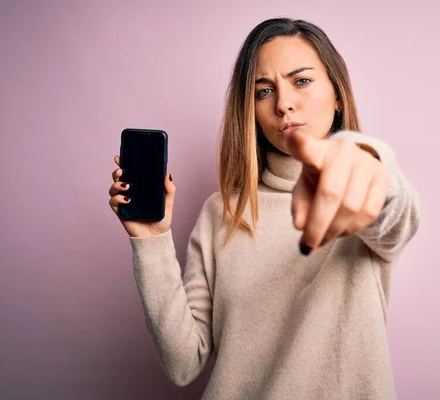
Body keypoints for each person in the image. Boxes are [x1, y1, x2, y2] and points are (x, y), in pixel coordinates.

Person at [108, 17, 420, 400]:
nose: (284, 103)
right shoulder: (221, 212)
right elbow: (182, 363)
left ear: (338, 95)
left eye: (301, 81)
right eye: (263, 90)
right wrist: (151, 241)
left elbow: (395, 207)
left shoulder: (360, 194)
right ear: (250, 109)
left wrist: (370, 163)